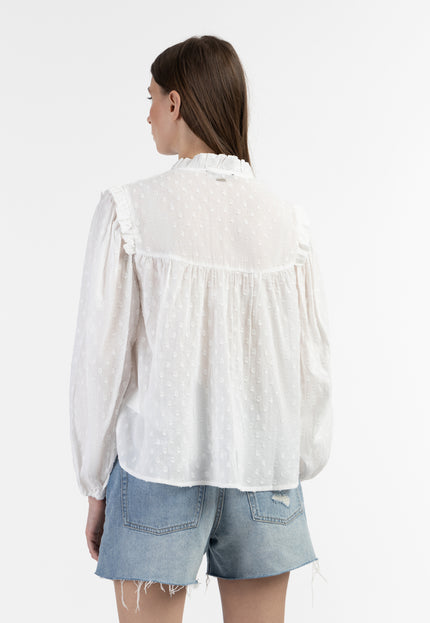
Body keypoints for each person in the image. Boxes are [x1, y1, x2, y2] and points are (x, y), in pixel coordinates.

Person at [69, 34, 333, 623]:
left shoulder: (129, 211)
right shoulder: (288, 222)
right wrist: (298, 460)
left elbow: (101, 362)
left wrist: (95, 482)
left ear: (176, 102)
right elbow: (312, 365)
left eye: (151, 98)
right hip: (266, 471)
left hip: (156, 467)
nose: (147, 114)